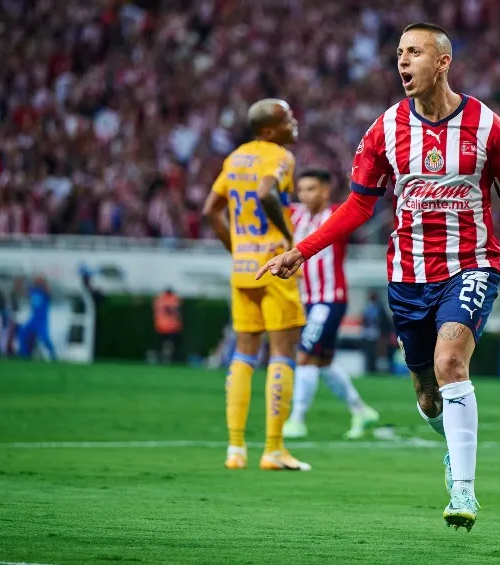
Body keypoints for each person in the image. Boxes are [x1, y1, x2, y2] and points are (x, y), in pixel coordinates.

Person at [256, 23, 500, 530]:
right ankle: (450, 445)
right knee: (427, 391)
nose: (402, 62)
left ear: (442, 62)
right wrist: (302, 251)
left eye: (414, 52)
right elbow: (359, 204)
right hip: (407, 276)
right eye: (399, 53)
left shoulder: (489, 126)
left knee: (451, 361)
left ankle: (463, 490)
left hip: (471, 265)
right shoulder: (384, 130)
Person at [202, 98, 310, 472]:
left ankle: (235, 450)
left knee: (244, 355)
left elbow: (210, 210)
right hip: (275, 266)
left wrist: (236, 248)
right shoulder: (278, 155)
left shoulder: (234, 158)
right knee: (282, 353)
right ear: (268, 130)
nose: (294, 122)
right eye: (286, 118)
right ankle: (274, 449)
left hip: (243, 267)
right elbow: (266, 193)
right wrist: (288, 236)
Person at [283, 169, 380, 440]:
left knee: (304, 356)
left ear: (325, 190)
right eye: (301, 189)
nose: (304, 195)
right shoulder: (296, 215)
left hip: (329, 299)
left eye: (311, 189)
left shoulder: (337, 214)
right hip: (309, 299)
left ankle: (297, 420)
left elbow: (359, 210)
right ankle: (361, 410)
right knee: (323, 362)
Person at [18, 277, 57, 361]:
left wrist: (44, 284)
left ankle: (53, 356)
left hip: (42, 321)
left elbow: (49, 293)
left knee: (45, 338)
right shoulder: (33, 291)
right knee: (23, 332)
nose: (37, 282)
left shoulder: (44, 293)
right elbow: (22, 292)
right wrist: (22, 283)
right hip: (33, 319)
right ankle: (24, 355)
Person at [153, 287, 182, 364]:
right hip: (172, 326)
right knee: (169, 343)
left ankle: (162, 357)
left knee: (162, 343)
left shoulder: (159, 299)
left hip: (160, 325)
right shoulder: (175, 300)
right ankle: (167, 357)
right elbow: (178, 313)